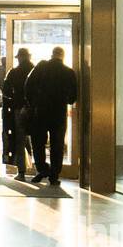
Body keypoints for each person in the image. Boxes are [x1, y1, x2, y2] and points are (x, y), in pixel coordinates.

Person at [24, 46, 78, 187]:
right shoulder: (68, 72)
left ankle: (42, 169)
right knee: (57, 144)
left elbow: (28, 85)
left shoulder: (41, 67)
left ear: (52, 54)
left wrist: (33, 103)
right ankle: (54, 175)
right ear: (63, 56)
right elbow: (73, 97)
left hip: (41, 112)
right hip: (58, 114)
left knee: (38, 143)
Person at [1, 47, 34, 181]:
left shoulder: (14, 72)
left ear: (19, 58)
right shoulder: (36, 71)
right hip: (34, 110)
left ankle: (21, 172)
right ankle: (38, 169)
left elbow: (6, 90)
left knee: (20, 140)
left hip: (18, 109)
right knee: (36, 140)